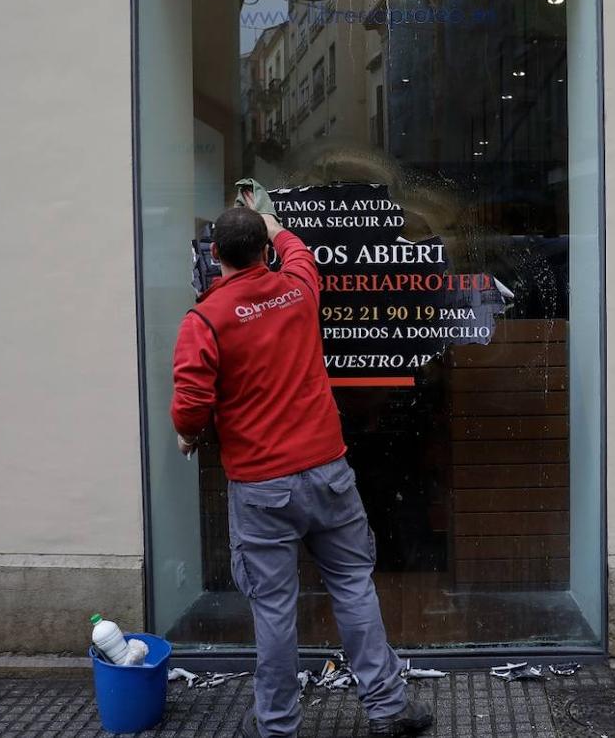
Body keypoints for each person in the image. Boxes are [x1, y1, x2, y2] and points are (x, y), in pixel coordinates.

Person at [170, 199, 434, 738]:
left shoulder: (206, 319)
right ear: (264, 249)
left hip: (263, 488)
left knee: (273, 609)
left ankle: (277, 725)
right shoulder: (297, 289)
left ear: (214, 253)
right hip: (327, 473)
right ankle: (387, 709)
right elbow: (299, 253)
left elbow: (191, 403)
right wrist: (275, 224)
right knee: (354, 587)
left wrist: (190, 432)